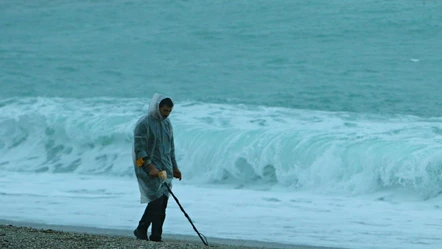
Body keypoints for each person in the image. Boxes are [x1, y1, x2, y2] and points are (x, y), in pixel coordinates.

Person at [132, 93, 182, 242]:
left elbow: (170, 148)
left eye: (169, 111)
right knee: (156, 201)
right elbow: (139, 149)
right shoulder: (144, 123)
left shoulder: (167, 124)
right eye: (165, 111)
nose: (167, 114)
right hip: (149, 169)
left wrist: (175, 167)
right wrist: (149, 166)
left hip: (165, 169)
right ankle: (142, 229)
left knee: (162, 203)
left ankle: (155, 235)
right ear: (157, 107)